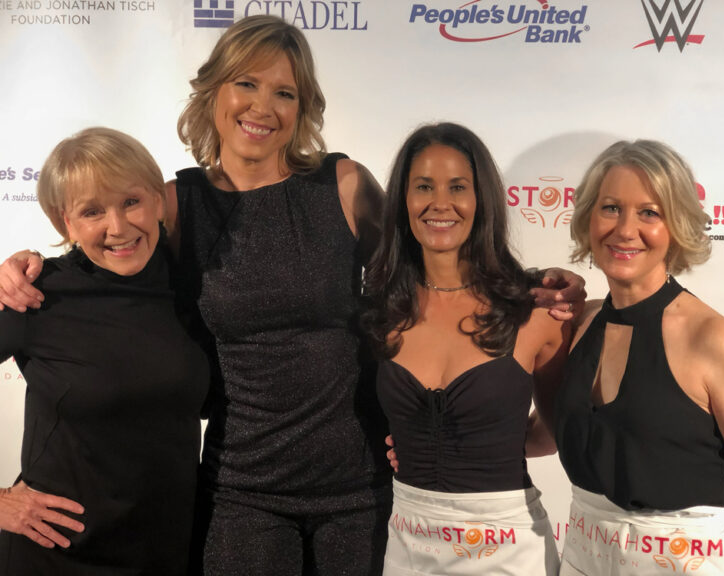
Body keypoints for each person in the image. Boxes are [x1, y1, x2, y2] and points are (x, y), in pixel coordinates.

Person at [0, 16, 585, 576]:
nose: (263, 107)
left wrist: (526, 283)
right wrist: (24, 268)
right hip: (240, 493)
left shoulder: (344, 185)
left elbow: (433, 258)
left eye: (285, 92)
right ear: (213, 92)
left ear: (302, 108)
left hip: (360, 486)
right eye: (246, 84)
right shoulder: (177, 204)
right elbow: (105, 268)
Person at [361, 122, 569, 575]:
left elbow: (555, 433)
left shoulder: (534, 311)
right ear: (403, 201)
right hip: (408, 544)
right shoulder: (380, 310)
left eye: (458, 186)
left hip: (509, 549)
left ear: (482, 200)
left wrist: (487, 445)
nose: (440, 203)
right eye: (423, 187)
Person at [0, 127, 209, 575]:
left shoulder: (191, 284)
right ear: (65, 223)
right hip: (58, 559)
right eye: (92, 211)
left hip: (169, 556)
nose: (118, 227)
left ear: (158, 200)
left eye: (130, 201)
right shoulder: (36, 295)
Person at [555, 140, 724, 575]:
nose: (625, 229)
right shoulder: (581, 323)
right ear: (589, 218)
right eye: (611, 208)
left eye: (649, 212)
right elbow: (550, 434)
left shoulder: (715, 340)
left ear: (677, 226)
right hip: (584, 555)